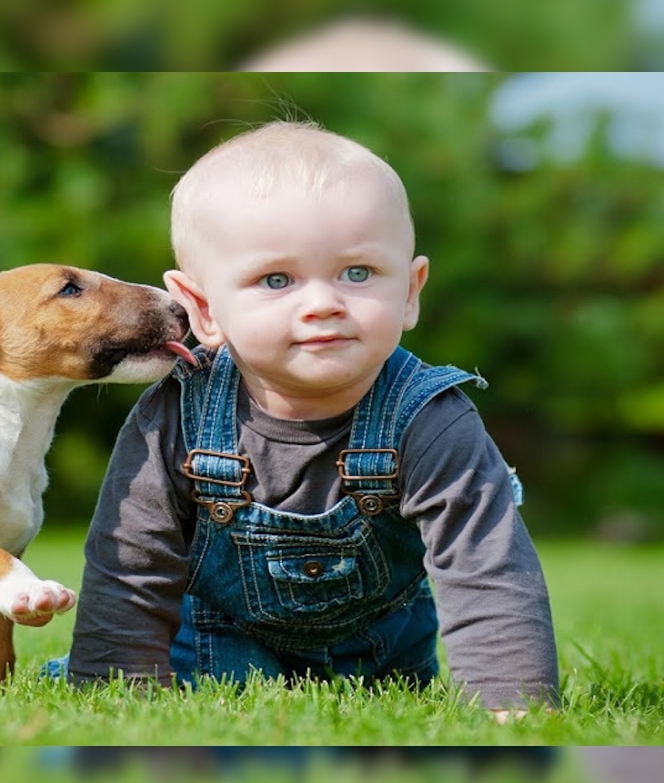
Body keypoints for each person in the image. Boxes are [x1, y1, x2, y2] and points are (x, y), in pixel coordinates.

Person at [50, 120, 559, 714]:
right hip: (212, 657)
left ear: (411, 291)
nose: (322, 304)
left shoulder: (430, 418)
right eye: (276, 280)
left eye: (358, 273)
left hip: (379, 671)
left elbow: (486, 567)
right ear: (203, 309)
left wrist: (510, 706)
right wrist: (115, 693)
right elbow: (131, 566)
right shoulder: (177, 414)